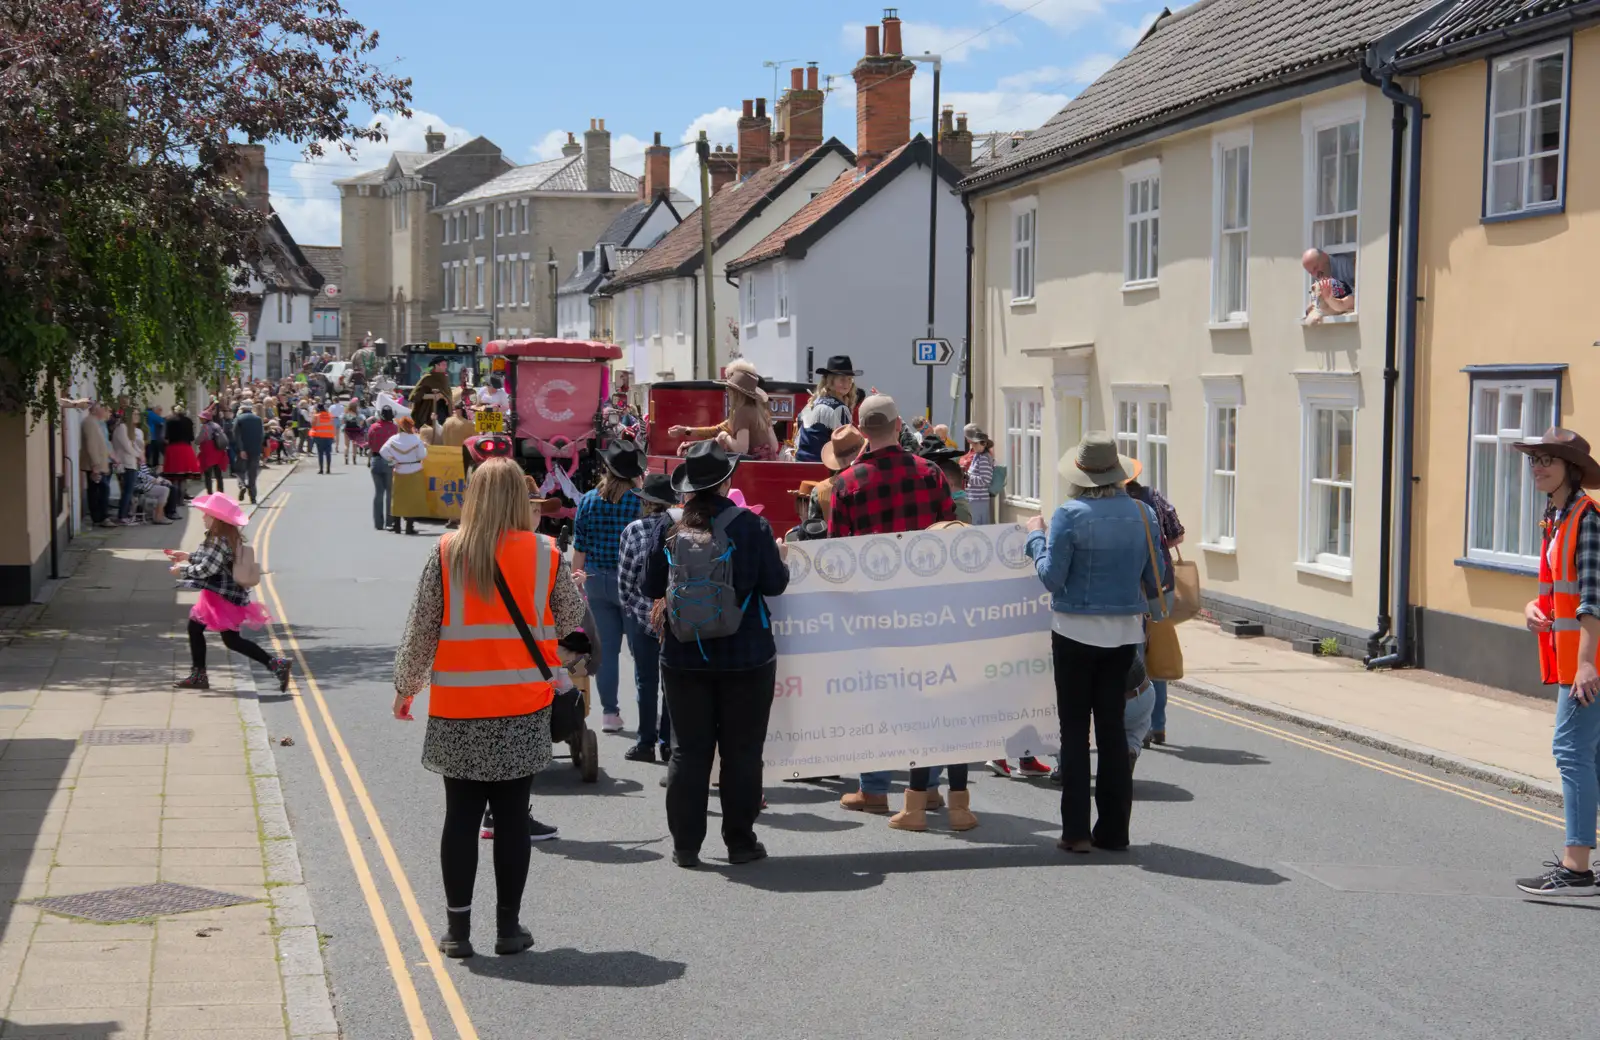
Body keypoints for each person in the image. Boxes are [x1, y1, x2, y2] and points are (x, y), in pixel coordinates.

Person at [392, 458, 585, 957]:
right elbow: (568, 620)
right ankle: (507, 929)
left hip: (458, 705)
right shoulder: (545, 553)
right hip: (521, 705)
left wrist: (406, 687)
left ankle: (457, 933)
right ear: (521, 501)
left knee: (460, 818)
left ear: (473, 497)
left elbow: (422, 628)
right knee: (512, 819)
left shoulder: (447, 551)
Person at [643, 442, 789, 867]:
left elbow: (650, 586)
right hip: (748, 655)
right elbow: (775, 584)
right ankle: (740, 842)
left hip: (684, 655)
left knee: (689, 751)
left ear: (687, 487)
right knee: (742, 751)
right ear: (726, 481)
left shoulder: (666, 528)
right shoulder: (751, 526)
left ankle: (686, 845)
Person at [826, 395, 966, 826]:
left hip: (875, 607)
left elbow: (835, 554)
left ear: (862, 431)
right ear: (900, 424)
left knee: (881, 699)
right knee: (932, 692)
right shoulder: (929, 473)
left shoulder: (846, 483)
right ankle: (927, 788)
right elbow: (949, 534)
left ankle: (873, 789)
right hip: (927, 602)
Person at [1025, 432, 1165, 854]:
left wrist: (1035, 538)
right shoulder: (1144, 514)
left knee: (1073, 732)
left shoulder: (1069, 514)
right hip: (1124, 635)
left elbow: (1052, 578)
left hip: (1073, 632)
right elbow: (1154, 572)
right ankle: (1114, 832)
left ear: (1080, 474)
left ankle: (1076, 833)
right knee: (1111, 732)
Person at [1514, 429, 1600, 897]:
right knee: (1594, 759)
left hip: (1586, 666)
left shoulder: (1586, 518)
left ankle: (1577, 868)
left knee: (1570, 752)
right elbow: (1562, 590)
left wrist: (1586, 665)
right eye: (1534, 460)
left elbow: (1594, 598)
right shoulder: (1558, 516)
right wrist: (1534, 607)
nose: (1538, 467)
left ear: (1572, 468)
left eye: (1548, 459)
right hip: (1576, 659)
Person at [169, 492, 293, 693]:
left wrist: (181, 570)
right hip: (223, 594)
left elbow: (208, 569)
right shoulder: (224, 536)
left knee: (226, 638)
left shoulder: (218, 539)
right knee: (206, 631)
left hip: (222, 597)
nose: (202, 517)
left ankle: (274, 664)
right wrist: (188, 556)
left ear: (216, 519)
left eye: (206, 514)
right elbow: (206, 558)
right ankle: (200, 675)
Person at [572, 441, 645, 733]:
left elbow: (580, 548)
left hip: (595, 581)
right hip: (631, 582)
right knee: (640, 652)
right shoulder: (640, 501)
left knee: (607, 651)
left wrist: (577, 584)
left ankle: (609, 714)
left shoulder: (588, 500)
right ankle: (647, 715)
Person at [616, 474, 678, 763]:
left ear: (646, 503)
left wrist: (630, 607)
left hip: (642, 616)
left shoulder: (634, 530)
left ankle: (645, 743)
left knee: (645, 681)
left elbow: (625, 579)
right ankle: (667, 742)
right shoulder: (680, 527)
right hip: (675, 617)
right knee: (670, 684)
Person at [1124, 467, 1184, 748]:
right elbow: (1177, 536)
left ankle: (1140, 724)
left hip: (1132, 587)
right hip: (1161, 586)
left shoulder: (1112, 504)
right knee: (1157, 656)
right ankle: (1158, 726)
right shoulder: (1153, 497)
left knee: (1135, 661)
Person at [794, 356, 860, 462]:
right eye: (842, 379)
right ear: (830, 381)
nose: (847, 384)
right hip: (822, 466)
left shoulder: (812, 404)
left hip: (799, 463)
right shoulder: (840, 408)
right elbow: (847, 447)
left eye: (849, 379)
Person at [380, 416, 427, 535]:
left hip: (399, 469)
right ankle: (409, 527)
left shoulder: (393, 439)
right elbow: (422, 456)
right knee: (411, 499)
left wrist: (393, 461)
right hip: (414, 470)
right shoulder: (416, 440)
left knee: (398, 498)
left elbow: (382, 451)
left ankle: (397, 526)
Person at [78, 403, 114, 528]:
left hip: (99, 464)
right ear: (96, 411)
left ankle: (100, 517)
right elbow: (92, 445)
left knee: (100, 490)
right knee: (100, 491)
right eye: (105, 409)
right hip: (95, 465)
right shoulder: (90, 423)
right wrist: (96, 465)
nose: (107, 412)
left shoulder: (97, 423)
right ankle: (100, 517)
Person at [366, 407, 399, 532]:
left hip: (376, 458)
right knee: (390, 492)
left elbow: (369, 443)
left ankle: (378, 523)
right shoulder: (394, 428)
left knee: (378, 492)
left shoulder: (373, 427)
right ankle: (389, 522)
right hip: (389, 459)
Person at [1301, 247, 1355, 323]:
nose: (1315, 274)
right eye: (1311, 272)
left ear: (1325, 256)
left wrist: (1332, 300)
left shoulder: (1344, 264)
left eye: (1316, 268)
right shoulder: (1318, 275)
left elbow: (1357, 297)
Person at [162, 404, 201, 502]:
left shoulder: (169, 421)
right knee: (184, 476)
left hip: (173, 448)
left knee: (174, 475)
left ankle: (175, 499)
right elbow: (192, 437)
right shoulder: (188, 421)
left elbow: (166, 437)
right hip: (185, 448)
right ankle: (181, 499)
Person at [111, 409, 144, 524]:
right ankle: (122, 516)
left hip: (131, 463)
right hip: (125, 464)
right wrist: (138, 455)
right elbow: (127, 447)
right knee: (127, 491)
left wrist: (139, 454)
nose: (137, 416)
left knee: (129, 491)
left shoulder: (130, 430)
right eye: (134, 414)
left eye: (137, 413)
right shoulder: (122, 428)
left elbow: (133, 446)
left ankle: (126, 514)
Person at [961, 424, 996, 525]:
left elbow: (985, 480)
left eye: (976, 444)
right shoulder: (977, 456)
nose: (973, 446)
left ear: (983, 444)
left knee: (977, 526)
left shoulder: (984, 458)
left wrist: (968, 477)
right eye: (973, 444)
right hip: (974, 498)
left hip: (979, 499)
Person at [233, 402, 265, 505]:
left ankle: (242, 485)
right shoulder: (258, 419)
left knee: (239, 471)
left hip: (243, 451)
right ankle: (253, 498)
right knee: (252, 474)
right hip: (255, 450)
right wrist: (259, 449)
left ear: (242, 410)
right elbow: (261, 436)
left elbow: (236, 436)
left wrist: (241, 449)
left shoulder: (239, 419)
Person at [410, 357, 453, 426]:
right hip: (429, 412)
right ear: (436, 365)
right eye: (443, 365)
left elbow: (448, 394)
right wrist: (432, 396)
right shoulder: (427, 377)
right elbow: (414, 396)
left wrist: (443, 396)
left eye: (446, 364)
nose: (446, 367)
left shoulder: (445, 377)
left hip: (444, 411)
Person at [197, 407, 230, 495]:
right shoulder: (217, 425)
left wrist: (196, 441)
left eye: (201, 418)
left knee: (208, 475)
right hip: (218, 451)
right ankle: (220, 493)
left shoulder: (205, 427)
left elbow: (199, 440)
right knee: (218, 474)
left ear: (205, 419)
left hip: (209, 452)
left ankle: (210, 494)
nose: (200, 419)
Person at [309, 403, 336, 474]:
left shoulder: (316, 416)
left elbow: (312, 425)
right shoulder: (330, 416)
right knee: (328, 453)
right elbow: (333, 426)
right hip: (329, 436)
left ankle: (321, 469)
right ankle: (328, 469)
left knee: (320, 453)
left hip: (319, 436)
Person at [342, 396, 365, 464]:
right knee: (354, 445)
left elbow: (343, 422)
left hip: (347, 429)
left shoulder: (346, 414)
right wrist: (360, 426)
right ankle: (354, 459)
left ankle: (346, 458)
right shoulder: (357, 414)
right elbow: (362, 421)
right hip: (355, 429)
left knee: (346, 445)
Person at [145, 403, 167, 471]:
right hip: (152, 437)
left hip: (150, 437)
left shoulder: (148, 414)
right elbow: (162, 420)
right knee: (152, 453)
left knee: (152, 453)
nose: (161, 412)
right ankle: (152, 467)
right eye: (160, 410)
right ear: (156, 410)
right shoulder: (152, 414)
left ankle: (152, 467)